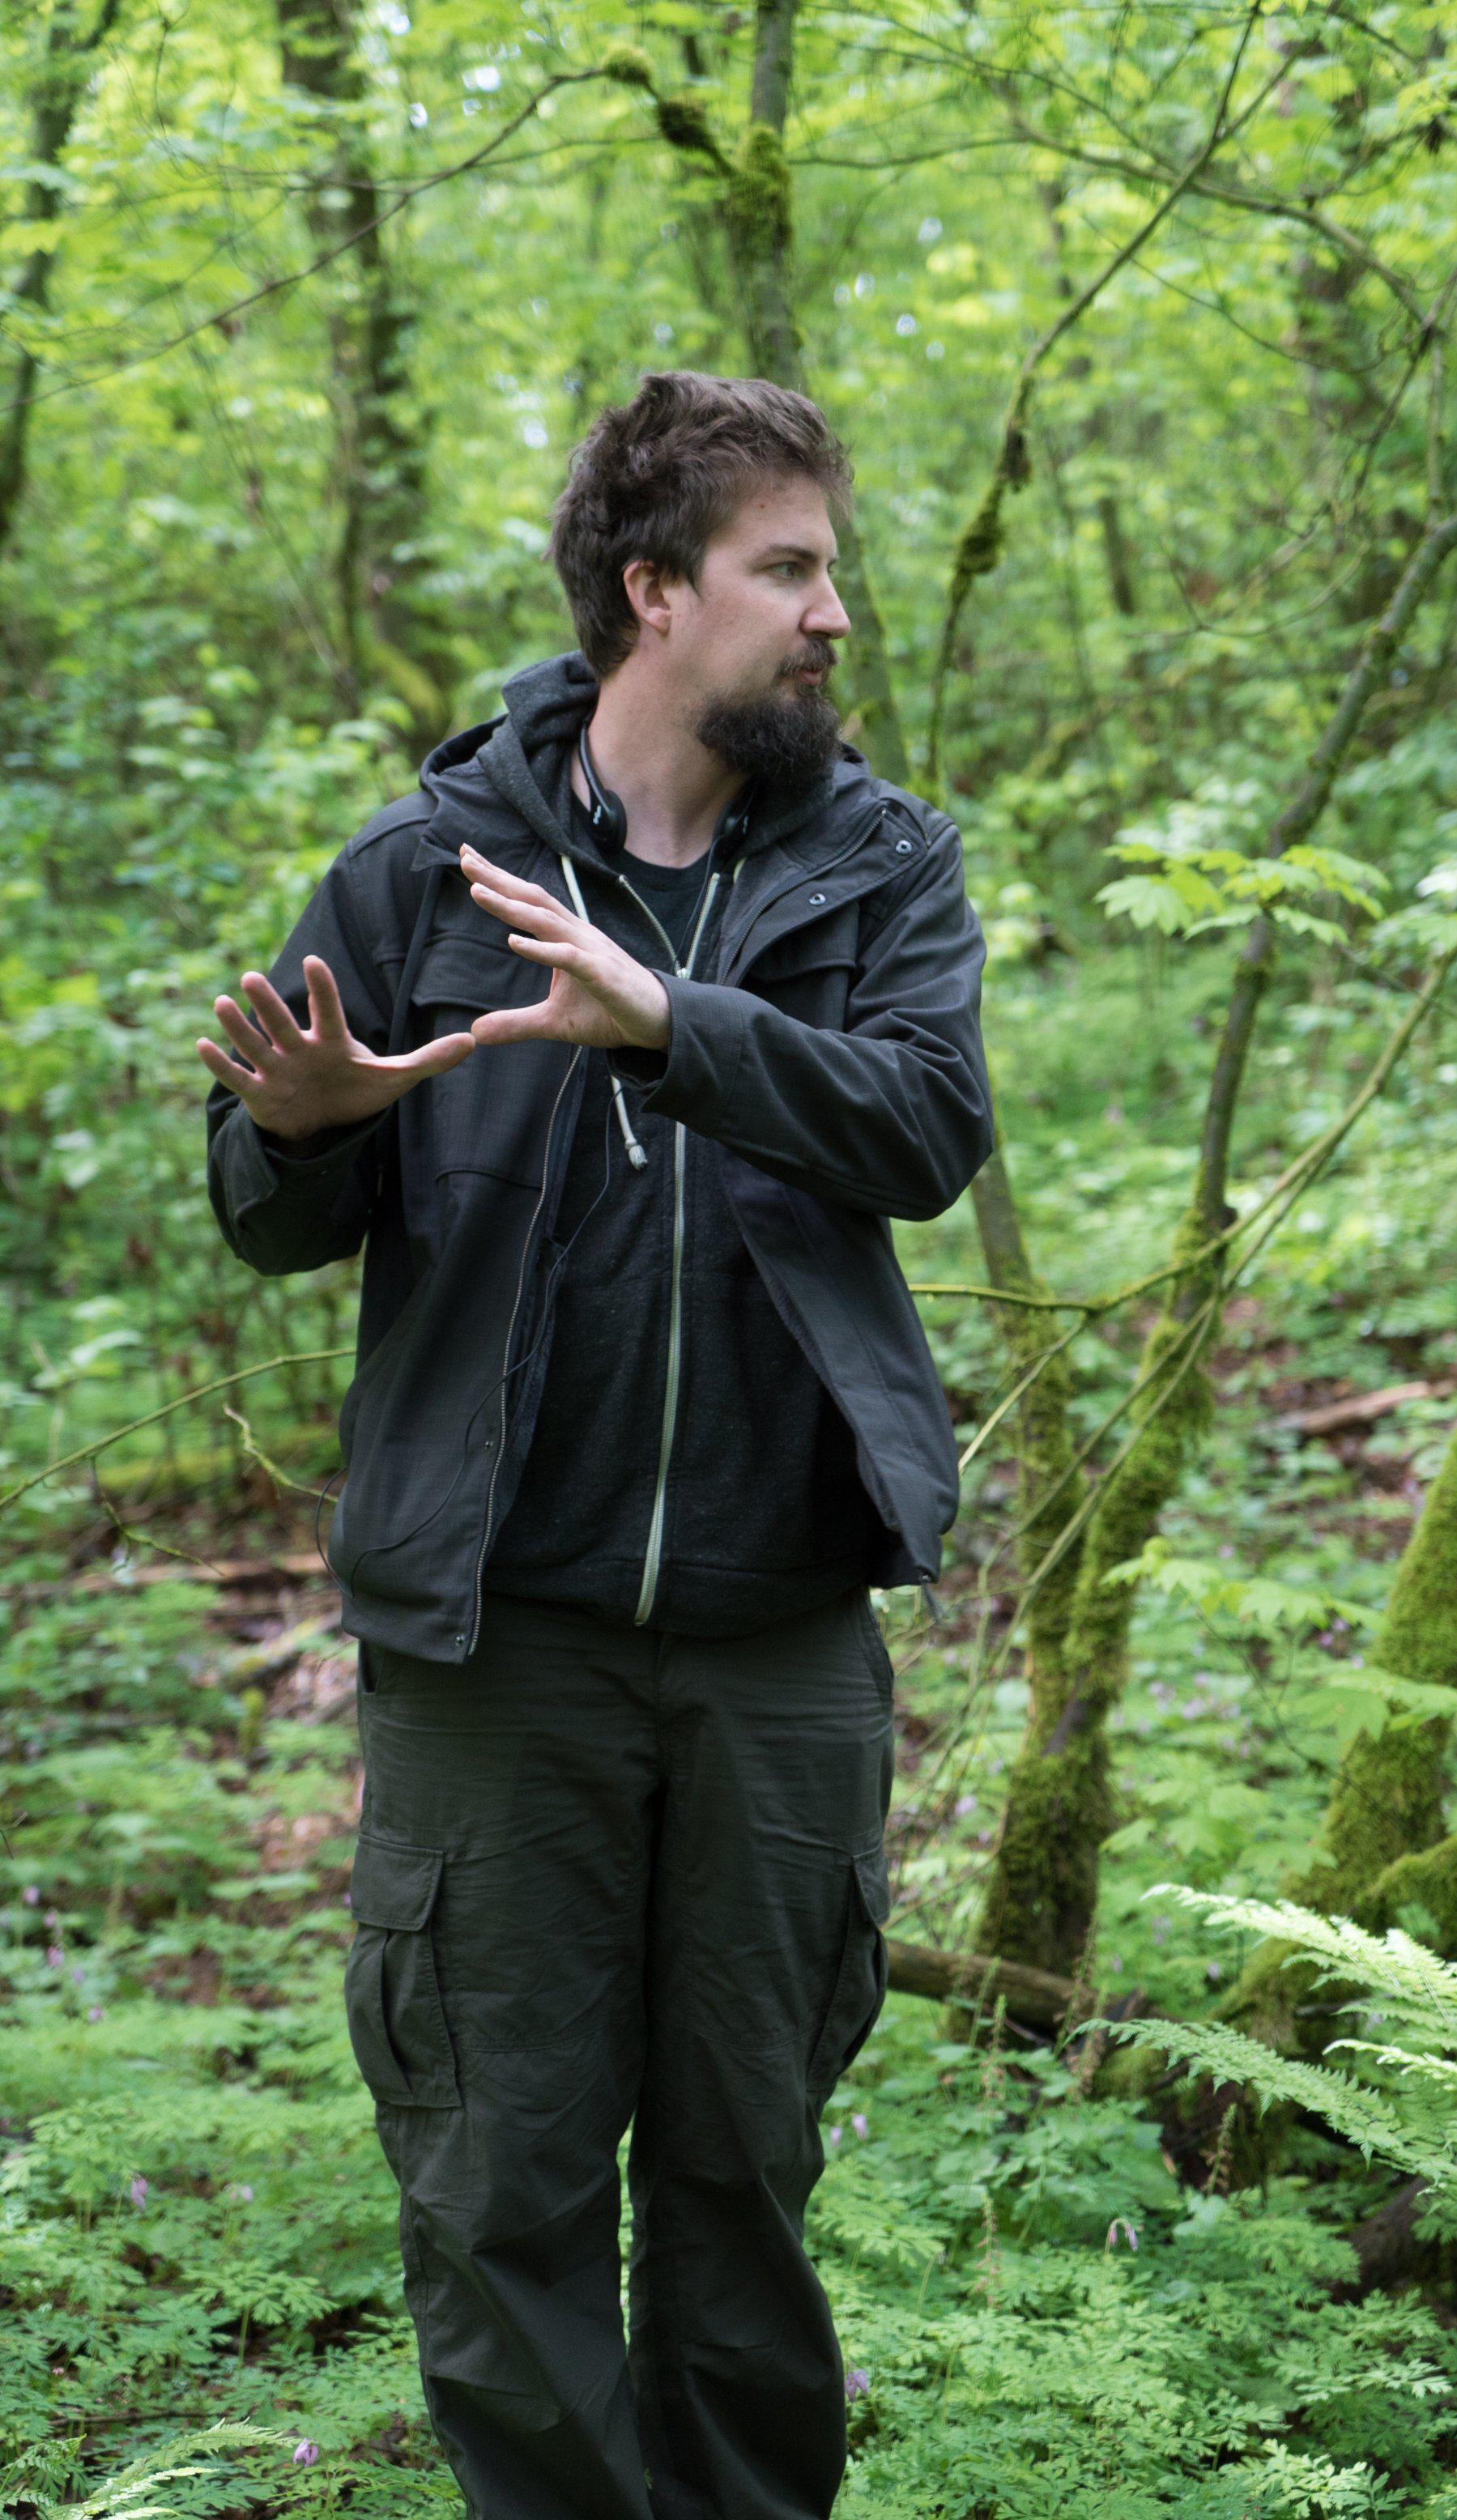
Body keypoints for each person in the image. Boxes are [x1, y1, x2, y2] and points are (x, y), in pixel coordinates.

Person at [199, 368, 992, 2520]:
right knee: (501, 2193)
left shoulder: (881, 865)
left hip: (779, 1639)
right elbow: (270, 1212)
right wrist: (299, 1136)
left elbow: (929, 1129)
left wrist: (679, 1027)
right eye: (787, 569)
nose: (833, 613)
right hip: (496, 1650)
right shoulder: (419, 873)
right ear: (654, 592)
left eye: (831, 568)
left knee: (747, 2184)